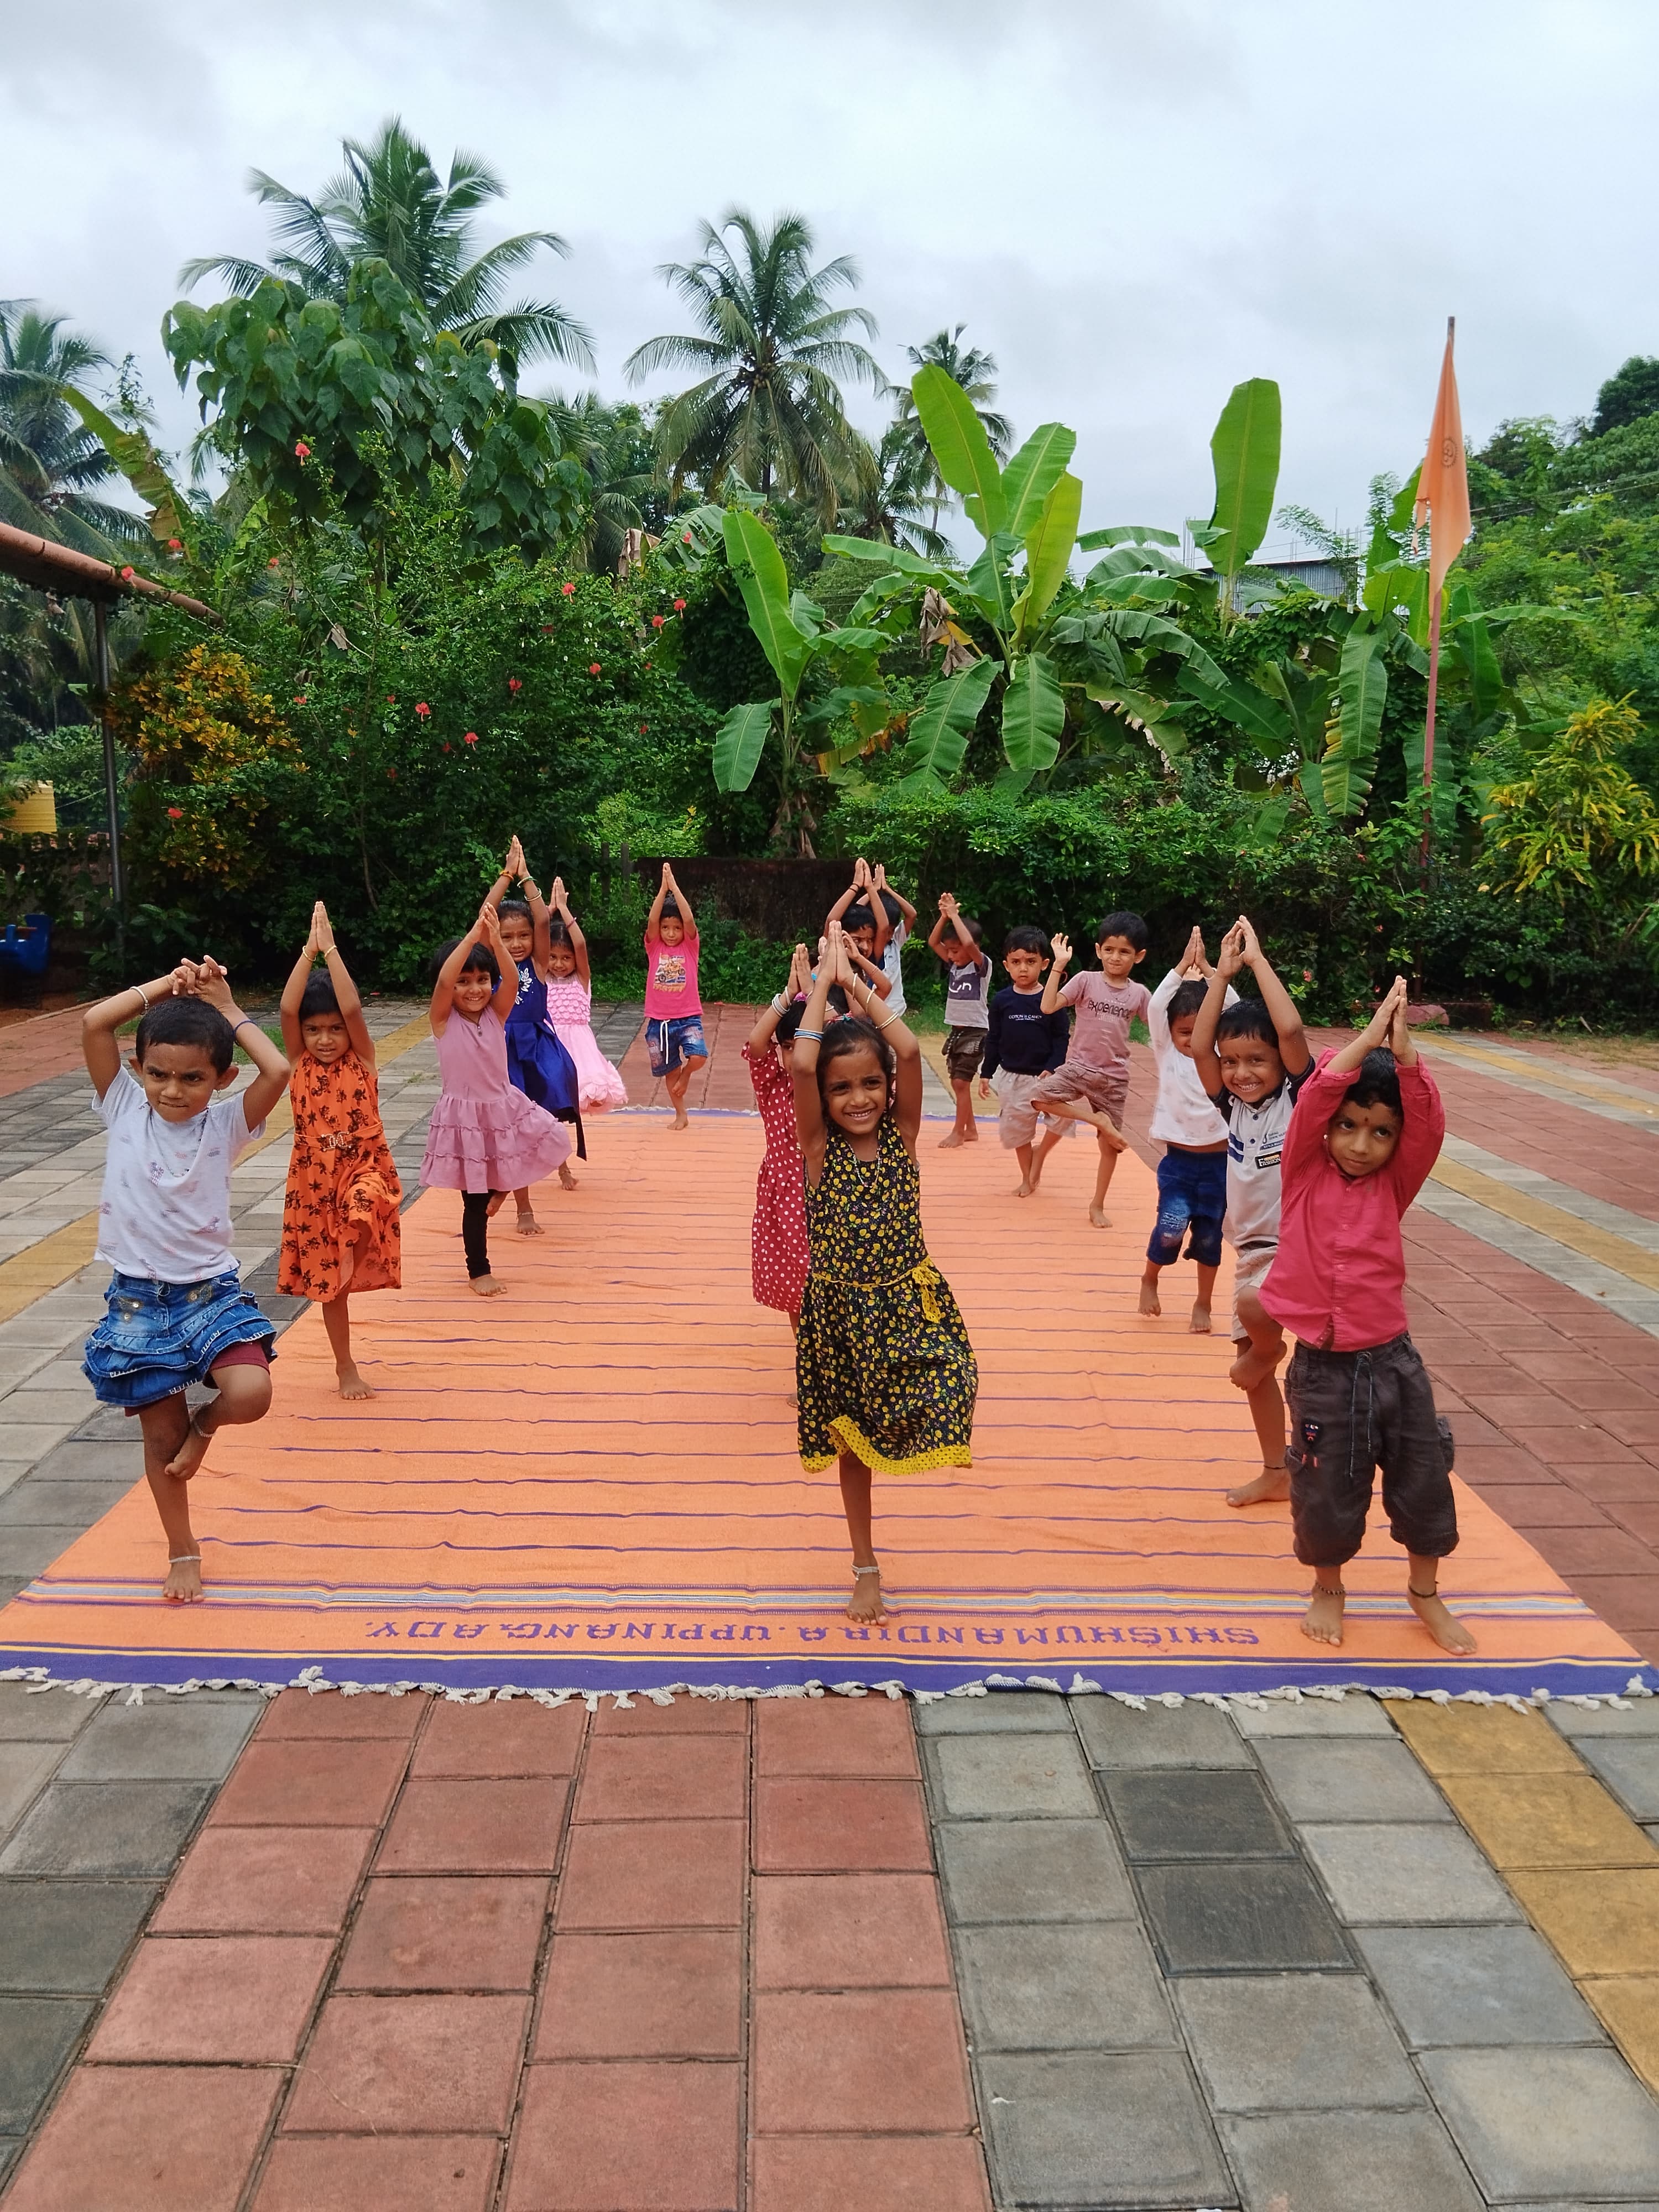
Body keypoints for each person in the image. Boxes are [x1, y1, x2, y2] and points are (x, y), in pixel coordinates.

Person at [1260, 977, 1473, 1656]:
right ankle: (1328, 1586)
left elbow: (1426, 1126)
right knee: (1326, 1483)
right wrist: (1369, 1034)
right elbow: (1319, 1094)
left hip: (1394, 1361)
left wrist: (1406, 1053)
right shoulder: (1303, 1168)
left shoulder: (1395, 1180)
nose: (1361, 1144)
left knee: (1422, 1474)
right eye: (1349, 1126)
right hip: (1323, 1369)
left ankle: (1425, 1590)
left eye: (1381, 1132)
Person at [80, 957, 290, 1604]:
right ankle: (183, 1549)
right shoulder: (121, 1105)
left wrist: (227, 1008)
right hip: (138, 1302)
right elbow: (94, 1021)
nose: (174, 1090)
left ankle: (207, 1426)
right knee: (160, 1439)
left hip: (210, 1296)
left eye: (194, 1078)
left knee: (252, 1393)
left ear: (221, 1079)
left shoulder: (225, 1123)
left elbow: (279, 1069)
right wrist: (163, 988)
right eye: (160, 1074)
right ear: (137, 1069)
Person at [791, 922, 978, 1624]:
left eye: (871, 1084)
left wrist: (855, 982)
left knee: (957, 1381)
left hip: (909, 1304)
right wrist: (819, 986)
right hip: (839, 1317)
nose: (859, 1098)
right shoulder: (818, 1151)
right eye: (846, 1089)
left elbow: (904, 1046)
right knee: (851, 1441)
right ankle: (864, 1563)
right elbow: (804, 1068)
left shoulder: (903, 1137)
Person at [1190, 917, 1313, 1506]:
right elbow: (1198, 1046)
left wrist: (1258, 963)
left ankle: (1271, 1347)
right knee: (1250, 1365)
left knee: (1259, 1337)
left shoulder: (1296, 1097)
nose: (1242, 1072)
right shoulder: (1234, 1108)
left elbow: (1289, 1028)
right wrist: (1222, 975)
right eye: (1232, 1061)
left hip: (1297, 1249)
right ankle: (1277, 1469)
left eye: (1256, 1060)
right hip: (1255, 1250)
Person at [276, 901, 402, 1399]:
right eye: (314, 1030)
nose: (325, 1038)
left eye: (334, 1029)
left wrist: (330, 949)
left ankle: (357, 1249)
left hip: (363, 1168)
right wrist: (307, 953)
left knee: (364, 1208)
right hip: (314, 1183)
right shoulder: (298, 1064)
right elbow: (287, 1009)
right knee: (332, 1286)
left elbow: (352, 1007)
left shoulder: (364, 1062)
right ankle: (344, 1365)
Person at [420, 901, 573, 1296]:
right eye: (464, 981)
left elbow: (510, 976)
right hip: (466, 1119)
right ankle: (479, 1270)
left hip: (504, 1105)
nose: (475, 989)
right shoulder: (442, 1019)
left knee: (554, 1138)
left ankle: (504, 1186)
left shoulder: (496, 1013)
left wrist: (495, 944)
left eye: (481, 980)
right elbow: (442, 985)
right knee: (474, 1203)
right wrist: (475, 935)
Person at [1139, 928, 1235, 1334]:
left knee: (1211, 1239)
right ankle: (1150, 1278)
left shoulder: (1223, 1059)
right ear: (1170, 1032)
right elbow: (1158, 1005)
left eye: (1204, 1033)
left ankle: (1203, 1302)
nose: (1195, 1042)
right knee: (1171, 1226)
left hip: (1219, 1164)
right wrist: (1182, 966)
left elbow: (1235, 1008)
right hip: (1178, 1163)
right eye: (1185, 1034)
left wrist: (1215, 973)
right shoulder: (1167, 1052)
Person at [1029, 912, 1151, 1225]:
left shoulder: (1139, 994)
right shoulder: (1085, 980)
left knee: (1109, 1146)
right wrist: (1058, 965)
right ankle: (1093, 1119)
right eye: (1109, 950)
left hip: (1114, 1079)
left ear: (1139, 957)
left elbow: (1162, 1027)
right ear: (1098, 950)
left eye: (1124, 952)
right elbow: (1047, 1006)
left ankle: (1097, 1205)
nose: (1115, 957)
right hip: (1078, 1068)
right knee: (1039, 1097)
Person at [488, 836, 584, 1228]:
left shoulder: (540, 965)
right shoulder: (491, 963)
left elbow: (543, 919)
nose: (516, 944)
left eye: (522, 936)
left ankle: (558, 1164)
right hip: (501, 1052)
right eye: (507, 937)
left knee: (545, 1120)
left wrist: (525, 878)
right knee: (511, 1130)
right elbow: (485, 914)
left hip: (537, 1050)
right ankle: (523, 1207)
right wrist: (505, 874)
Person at [744, 945, 816, 1337]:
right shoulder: (774, 1085)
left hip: (827, 1197)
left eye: (806, 1043)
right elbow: (757, 1045)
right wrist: (788, 996)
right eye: (788, 1047)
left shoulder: (836, 1087)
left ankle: (835, 1372)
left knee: (828, 1285)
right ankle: (811, 1371)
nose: (795, 1055)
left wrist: (817, 995)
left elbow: (849, 1038)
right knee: (794, 1286)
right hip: (784, 1197)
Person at [978, 925, 1073, 1196]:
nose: (1023, 969)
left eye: (1030, 962)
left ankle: (1040, 1154)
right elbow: (994, 1038)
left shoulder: (1052, 999)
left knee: (1063, 1120)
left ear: (1044, 964)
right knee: (1019, 1130)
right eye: (1016, 962)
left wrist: (1052, 1067)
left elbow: (1061, 1038)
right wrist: (986, 1073)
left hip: (1046, 1077)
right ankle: (1027, 1178)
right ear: (1006, 965)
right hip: (1013, 1078)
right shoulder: (1002, 1000)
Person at [544, 874, 628, 1120]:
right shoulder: (542, 977)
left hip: (579, 1049)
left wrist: (564, 911)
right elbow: (534, 941)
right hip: (549, 1042)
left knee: (577, 1099)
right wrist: (549, 911)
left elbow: (579, 945)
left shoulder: (581, 979)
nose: (559, 964)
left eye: (566, 958)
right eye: (553, 957)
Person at [644, 862, 707, 1130]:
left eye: (676, 929)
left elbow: (690, 920)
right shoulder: (655, 946)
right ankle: (681, 1114)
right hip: (659, 1023)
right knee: (669, 1070)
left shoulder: (690, 947)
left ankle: (685, 1076)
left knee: (699, 1057)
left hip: (688, 1017)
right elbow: (652, 921)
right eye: (667, 928)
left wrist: (675, 887)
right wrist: (662, 890)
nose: (671, 934)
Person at [927, 893, 990, 1148]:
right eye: (949, 951)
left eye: (955, 950)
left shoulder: (980, 965)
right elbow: (933, 942)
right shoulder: (955, 965)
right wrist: (944, 918)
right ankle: (971, 1128)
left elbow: (969, 945)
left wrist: (955, 915)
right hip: (957, 1031)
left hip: (976, 1031)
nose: (950, 955)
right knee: (958, 1080)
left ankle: (959, 1132)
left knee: (960, 1082)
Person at [824, 858, 896, 1005]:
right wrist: (855, 886)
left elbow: (883, 926)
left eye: (870, 940)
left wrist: (870, 888)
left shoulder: (868, 960)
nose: (865, 946)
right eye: (857, 940)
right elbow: (832, 920)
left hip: (858, 1023)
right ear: (840, 935)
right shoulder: (830, 953)